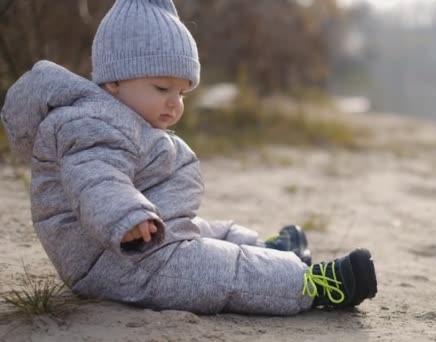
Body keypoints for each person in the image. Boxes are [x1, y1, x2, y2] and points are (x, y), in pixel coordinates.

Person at [0, 0, 376, 315]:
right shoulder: (88, 124)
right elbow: (95, 178)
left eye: (182, 93)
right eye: (162, 88)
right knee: (217, 269)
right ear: (113, 82)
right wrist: (126, 217)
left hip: (139, 242)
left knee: (210, 230)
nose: (174, 103)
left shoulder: (121, 118)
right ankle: (312, 285)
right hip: (113, 258)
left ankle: (269, 250)